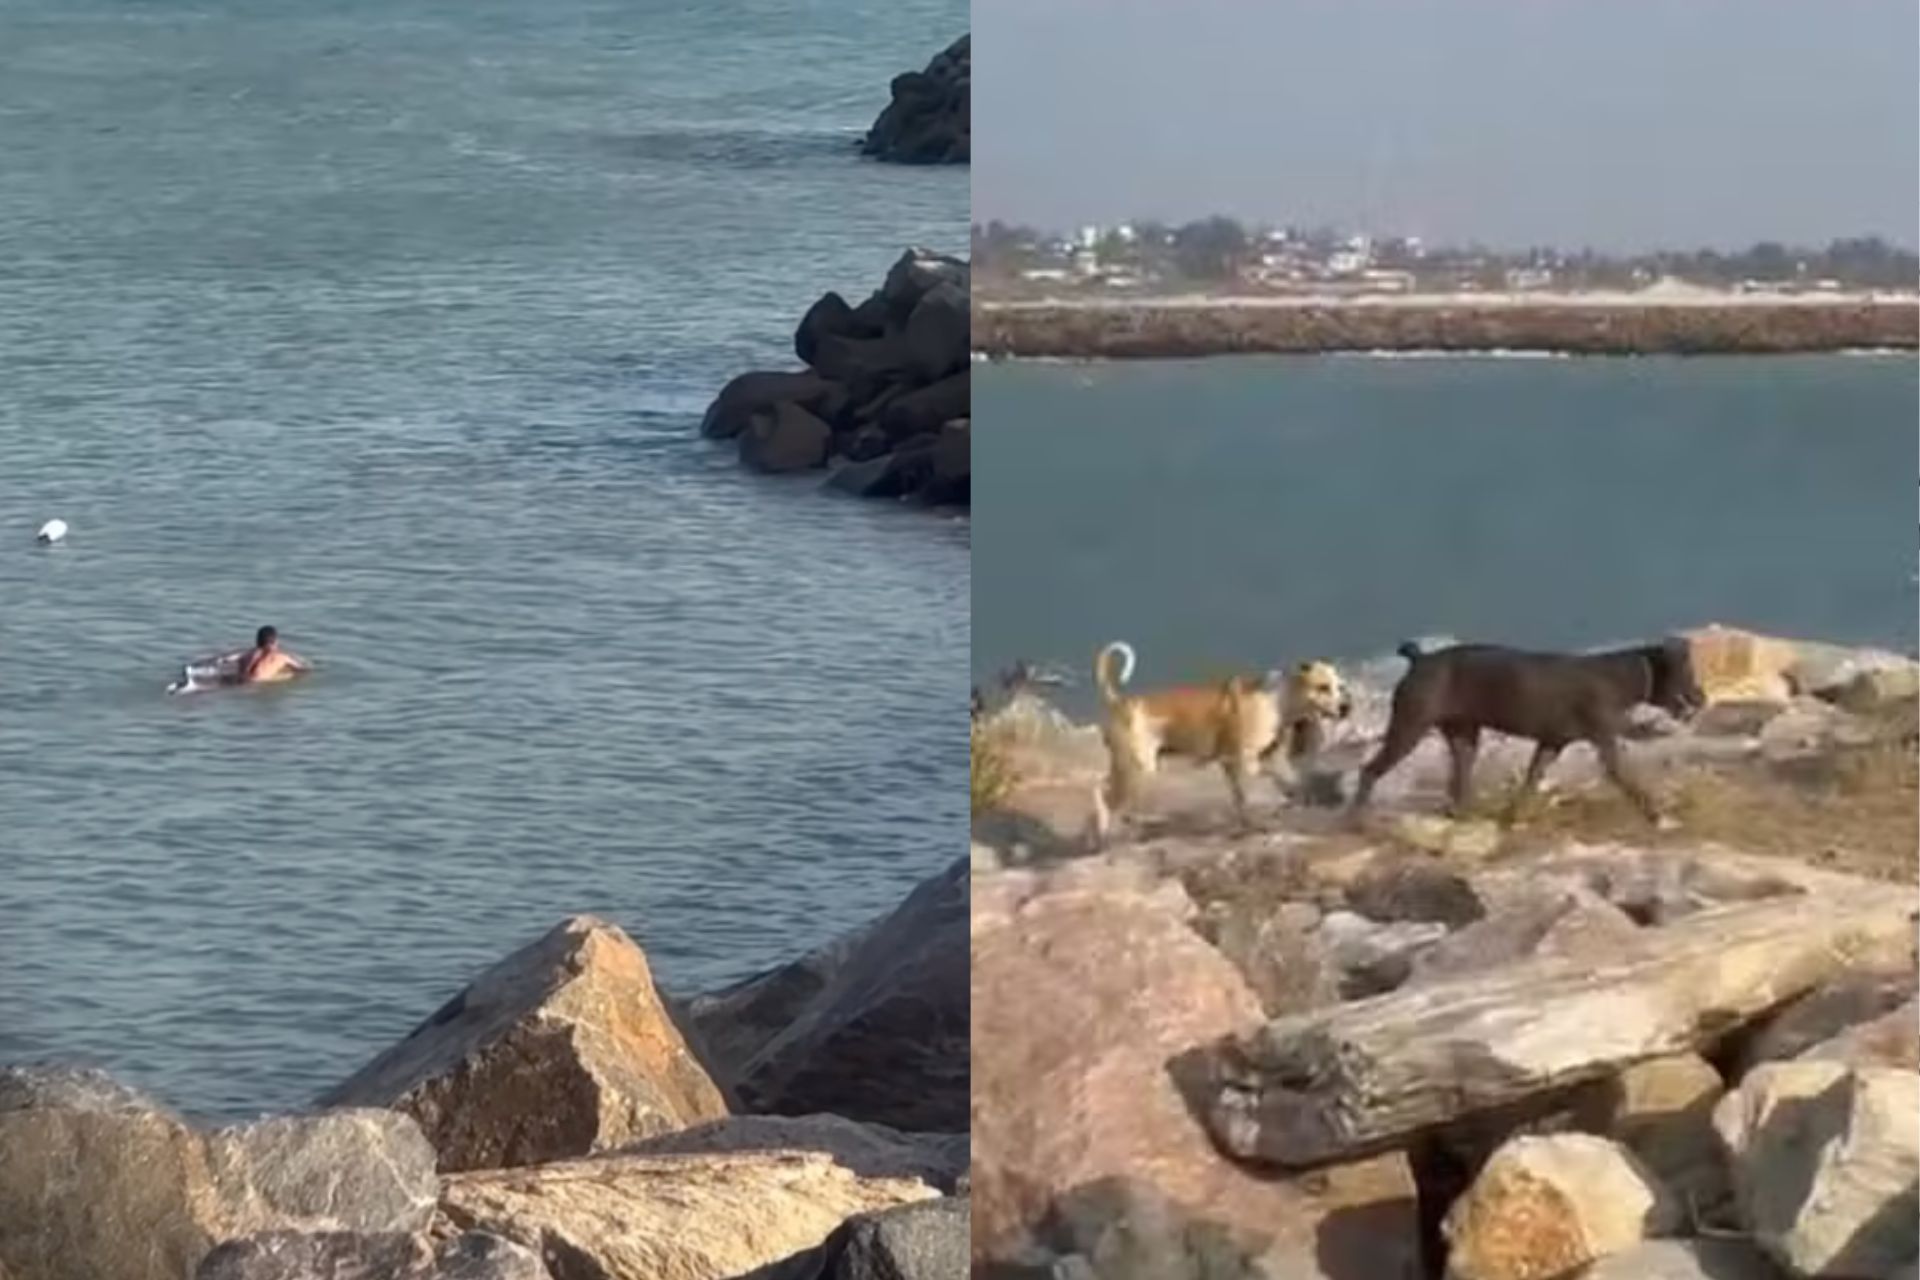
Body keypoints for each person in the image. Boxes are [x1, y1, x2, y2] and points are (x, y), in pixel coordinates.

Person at [238, 625, 310, 684]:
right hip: (257, 684)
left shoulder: (246, 655)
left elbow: (231, 659)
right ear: (275, 642)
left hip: (239, 681)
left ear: (257, 641)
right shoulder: (282, 658)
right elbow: (302, 670)